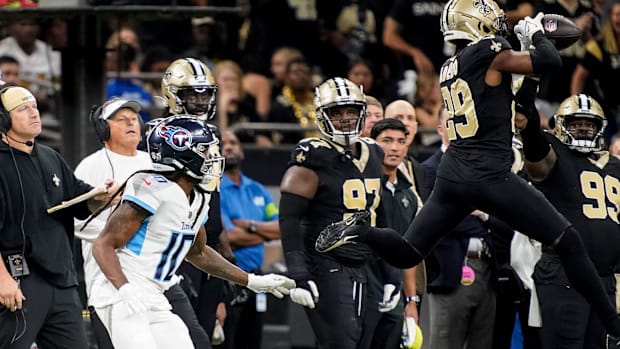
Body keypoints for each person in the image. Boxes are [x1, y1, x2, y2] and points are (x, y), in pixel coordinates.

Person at [315, 1, 620, 346]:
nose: (500, 23)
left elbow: (517, 106)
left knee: (407, 251)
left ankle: (361, 230)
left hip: (452, 176)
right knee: (569, 240)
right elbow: (551, 61)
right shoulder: (489, 50)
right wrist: (535, 34)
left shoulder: (451, 65)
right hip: (490, 176)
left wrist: (529, 74)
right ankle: (614, 324)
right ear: (476, 20)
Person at [89, 115, 295, 349]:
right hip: (119, 294)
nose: (213, 157)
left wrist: (251, 280)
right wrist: (124, 289)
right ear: (182, 153)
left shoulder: (198, 197)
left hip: (156, 295)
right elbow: (103, 245)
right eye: (206, 151)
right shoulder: (151, 188)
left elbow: (199, 253)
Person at [0, 85, 117, 348]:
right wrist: (2, 279)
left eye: (35, 107)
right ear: (3, 119)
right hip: (19, 280)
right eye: (23, 109)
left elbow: (78, 200)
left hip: (62, 281)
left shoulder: (50, 156)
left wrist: (102, 197)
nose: (34, 113)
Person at [280, 77, 385, 349]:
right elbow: (289, 219)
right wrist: (299, 274)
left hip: (363, 263)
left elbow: (379, 216)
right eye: (336, 113)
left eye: (351, 111)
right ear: (322, 116)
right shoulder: (313, 156)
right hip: (325, 263)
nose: (346, 119)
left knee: (363, 340)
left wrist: (391, 273)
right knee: (341, 341)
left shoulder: (374, 153)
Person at [518, 91, 620, 348]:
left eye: (589, 124)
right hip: (564, 277)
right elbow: (534, 145)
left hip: (606, 279)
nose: (584, 129)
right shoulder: (555, 156)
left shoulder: (615, 166)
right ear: (560, 126)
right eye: (576, 124)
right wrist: (528, 106)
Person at [73, 97, 153, 349]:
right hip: (109, 283)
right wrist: (116, 221)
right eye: (121, 120)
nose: (131, 123)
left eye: (134, 119)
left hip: (153, 278)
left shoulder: (153, 163)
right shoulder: (91, 166)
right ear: (104, 129)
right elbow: (76, 223)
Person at [160, 56, 228, 347]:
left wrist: (222, 243)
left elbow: (213, 193)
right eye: (192, 93)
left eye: (205, 93)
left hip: (207, 242)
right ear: (173, 94)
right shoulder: (160, 134)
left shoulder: (213, 134)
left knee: (204, 332)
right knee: (184, 336)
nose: (200, 101)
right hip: (176, 246)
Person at [422, 107, 496, 349]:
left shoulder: (486, 169)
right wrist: (487, 219)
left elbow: (506, 217)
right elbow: (442, 219)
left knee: (483, 343)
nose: (458, 129)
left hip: (489, 267)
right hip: (451, 268)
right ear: (440, 129)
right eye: (451, 122)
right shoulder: (428, 170)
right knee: (445, 343)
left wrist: (484, 214)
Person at [359, 118, 423, 349]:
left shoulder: (408, 193)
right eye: (387, 141)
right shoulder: (361, 187)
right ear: (373, 144)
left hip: (395, 290)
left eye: (400, 141)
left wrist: (411, 300)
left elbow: (408, 251)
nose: (394, 148)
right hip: (364, 281)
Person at [219, 130, 281, 349]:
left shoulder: (258, 189)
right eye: (223, 143)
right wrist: (262, 234)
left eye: (234, 142)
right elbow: (228, 237)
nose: (229, 147)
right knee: (226, 341)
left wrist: (250, 226)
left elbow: (280, 228)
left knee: (252, 340)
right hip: (227, 277)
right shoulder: (215, 188)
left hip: (257, 277)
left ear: (242, 151)